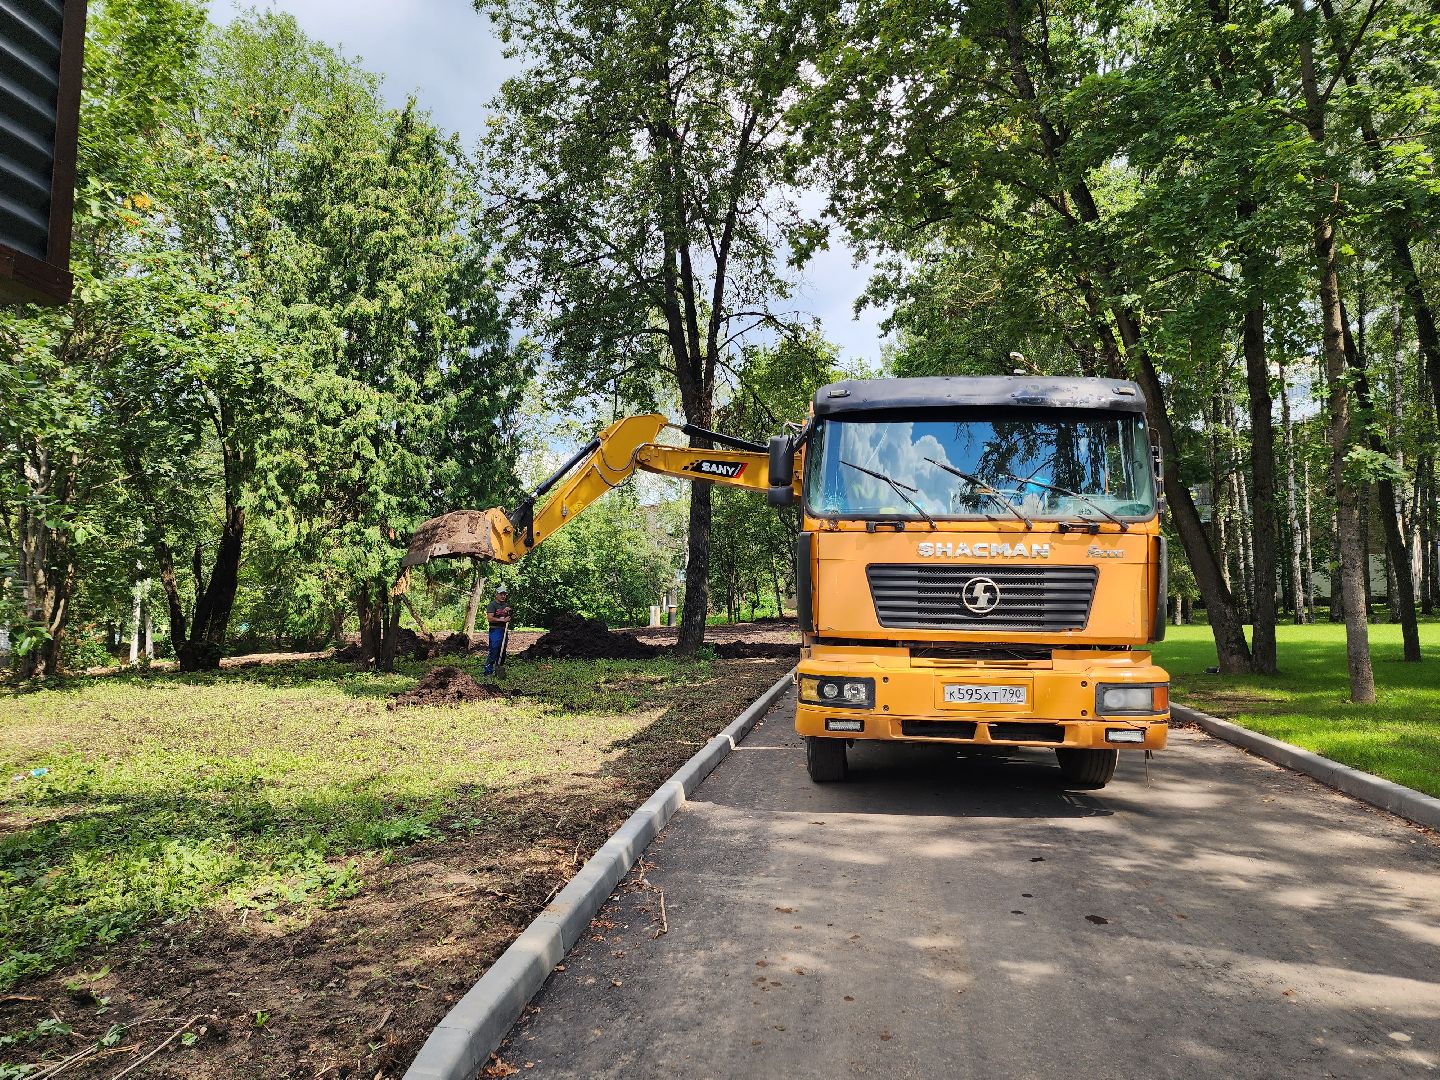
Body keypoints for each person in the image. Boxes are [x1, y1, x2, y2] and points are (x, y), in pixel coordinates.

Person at [483, 586, 513, 676]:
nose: (503, 596)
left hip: (504, 630)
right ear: (497, 595)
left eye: (504, 594)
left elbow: (509, 618)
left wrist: (510, 611)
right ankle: (488, 671)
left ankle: (498, 669)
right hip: (495, 630)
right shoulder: (492, 605)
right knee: (494, 650)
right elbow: (490, 618)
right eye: (501, 594)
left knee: (502, 651)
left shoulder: (506, 605)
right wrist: (503, 620)